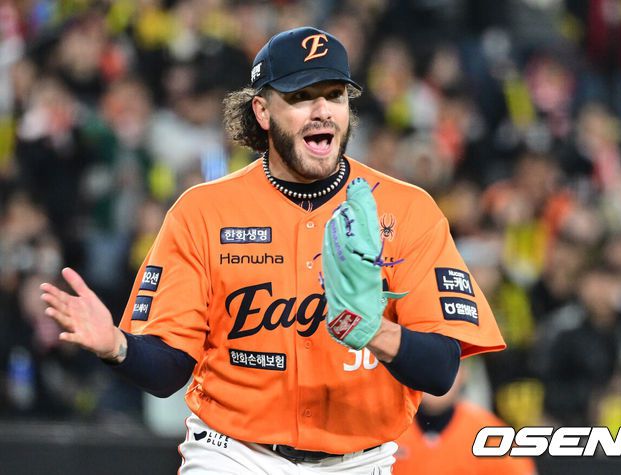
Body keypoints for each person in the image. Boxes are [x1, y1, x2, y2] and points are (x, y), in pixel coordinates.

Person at [40, 26, 505, 474]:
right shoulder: (203, 212)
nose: (322, 110)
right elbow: (168, 372)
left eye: (335, 95)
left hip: (361, 460)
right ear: (262, 112)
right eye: (301, 96)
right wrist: (117, 346)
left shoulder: (407, 210)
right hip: (234, 455)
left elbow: (441, 369)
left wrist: (373, 331)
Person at [393, 364, 536, 475]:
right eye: (426, 367)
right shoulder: (389, 430)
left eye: (445, 367)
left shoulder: (490, 435)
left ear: (463, 373)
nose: (435, 377)